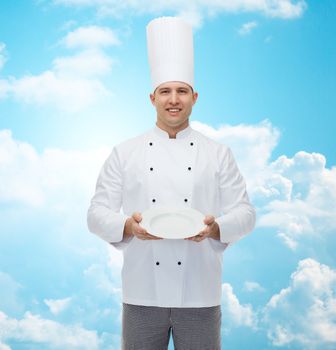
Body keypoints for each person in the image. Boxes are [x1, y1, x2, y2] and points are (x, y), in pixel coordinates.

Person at [87, 16, 256, 350]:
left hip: (200, 293)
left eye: (181, 91)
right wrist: (127, 226)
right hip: (141, 292)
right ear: (152, 98)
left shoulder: (218, 153)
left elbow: (246, 213)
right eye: (165, 91)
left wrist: (215, 227)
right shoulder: (125, 152)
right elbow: (95, 213)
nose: (174, 99)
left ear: (195, 97)